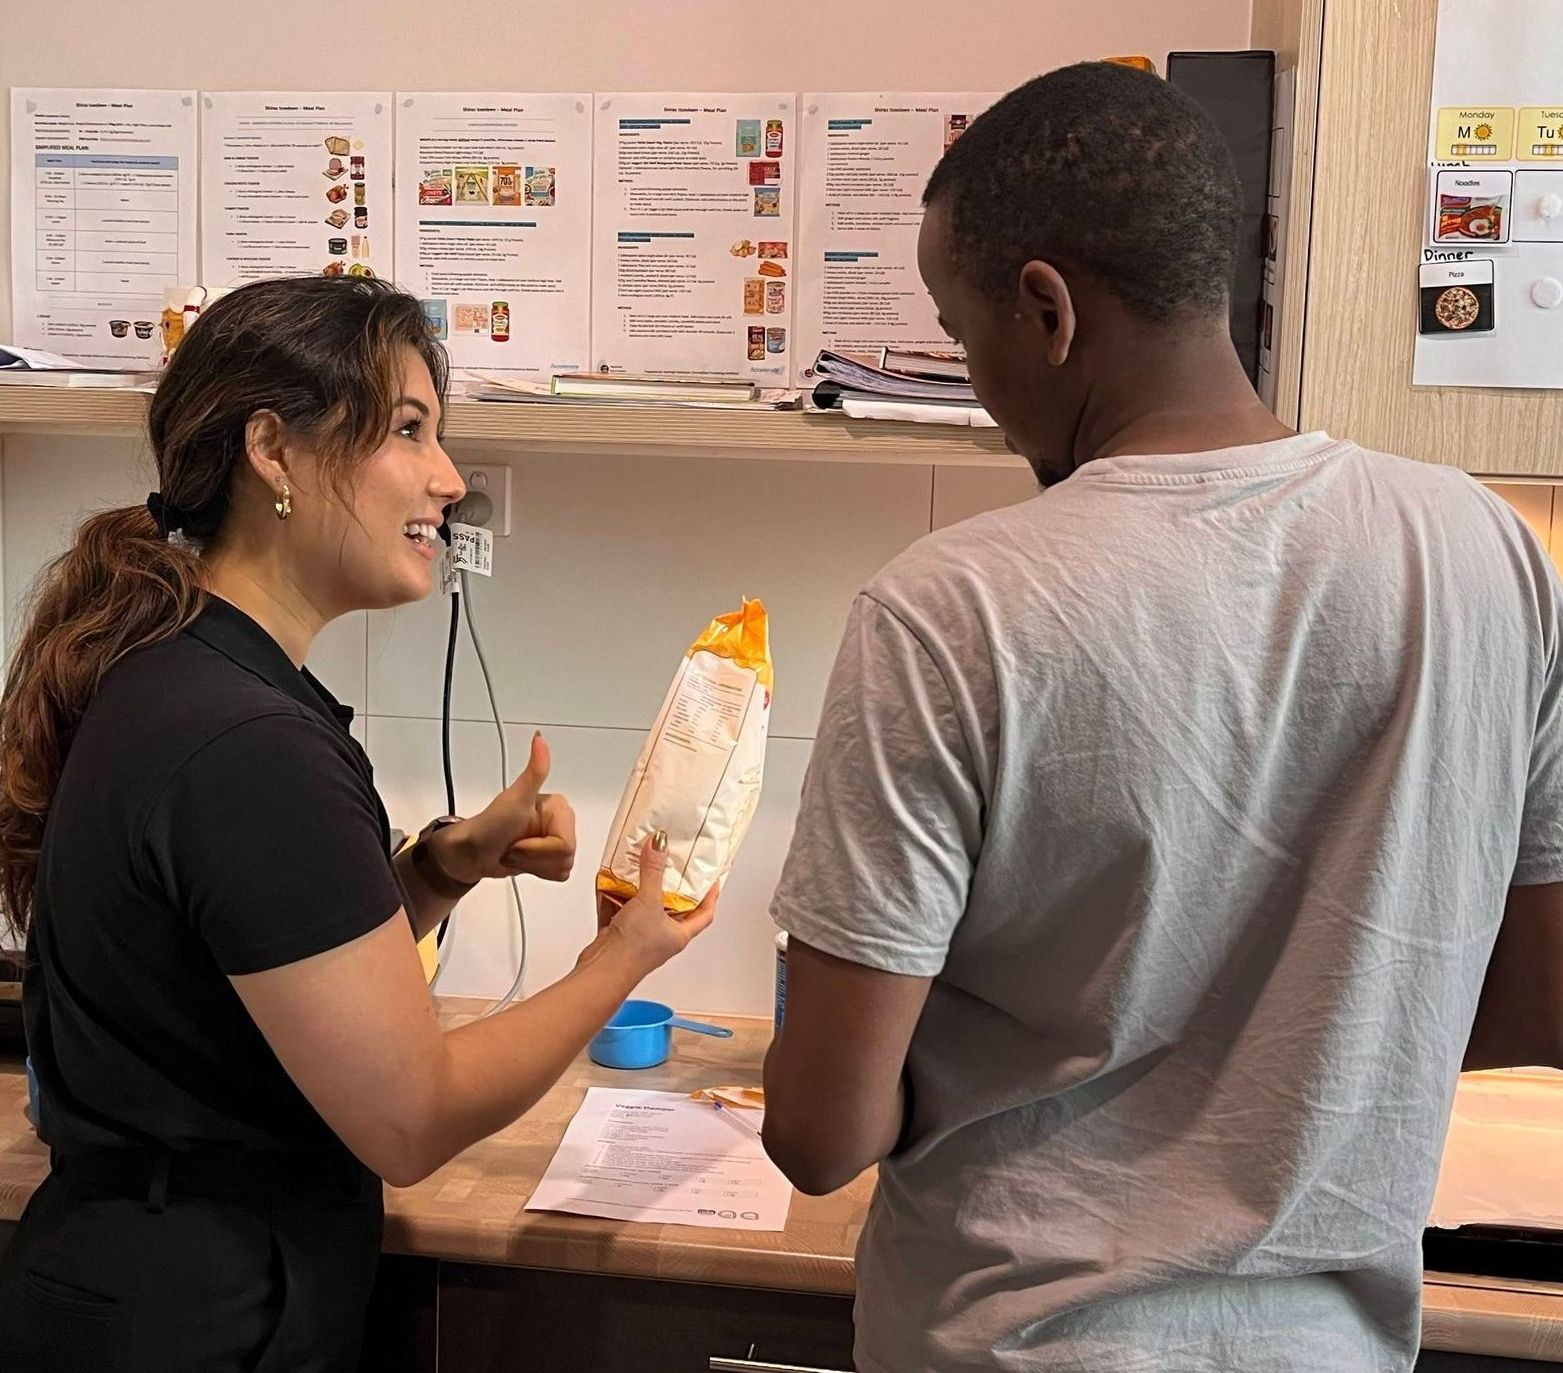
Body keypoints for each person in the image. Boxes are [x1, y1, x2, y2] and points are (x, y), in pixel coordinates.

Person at [761, 61, 1563, 1373]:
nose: (975, 386)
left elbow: (817, 1134)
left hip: (1009, 1342)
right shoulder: (1487, 556)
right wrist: (1297, 1054)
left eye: (963, 345)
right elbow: (1538, 998)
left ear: (1045, 310)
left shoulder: (947, 608)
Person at [0, 275, 716, 1372]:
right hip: (200, 1314)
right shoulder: (248, 747)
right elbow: (410, 1118)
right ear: (273, 450)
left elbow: (238, 964)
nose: (449, 477)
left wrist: (439, 869)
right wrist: (621, 956)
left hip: (137, 1283)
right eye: (409, 429)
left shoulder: (181, 678)